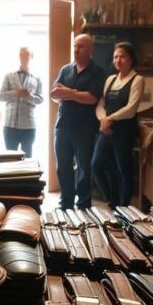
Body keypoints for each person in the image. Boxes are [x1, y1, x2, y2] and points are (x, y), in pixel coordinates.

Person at [50, 34, 106, 210]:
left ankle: (83, 204)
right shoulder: (65, 69)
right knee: (63, 167)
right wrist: (74, 94)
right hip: (62, 127)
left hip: (85, 129)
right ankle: (66, 202)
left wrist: (68, 93)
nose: (76, 49)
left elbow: (92, 98)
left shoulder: (98, 72)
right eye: (75, 46)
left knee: (84, 169)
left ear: (90, 50)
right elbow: (54, 94)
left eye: (80, 46)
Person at [92, 42, 145, 208]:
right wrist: (102, 120)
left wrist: (109, 119)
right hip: (106, 129)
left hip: (124, 131)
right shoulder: (110, 79)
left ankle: (124, 207)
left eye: (123, 56)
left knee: (123, 171)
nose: (118, 60)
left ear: (131, 59)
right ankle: (112, 200)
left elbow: (131, 109)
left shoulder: (138, 79)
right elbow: (101, 104)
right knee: (97, 166)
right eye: (116, 56)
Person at [0, 46, 43, 157]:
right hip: (10, 125)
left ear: (32, 57)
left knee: (27, 159)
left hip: (29, 126)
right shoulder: (9, 76)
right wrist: (15, 93)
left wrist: (29, 96)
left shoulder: (37, 78)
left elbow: (40, 99)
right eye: (22, 55)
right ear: (19, 57)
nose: (24, 58)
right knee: (10, 158)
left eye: (27, 56)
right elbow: (1, 97)